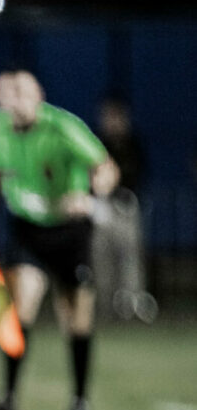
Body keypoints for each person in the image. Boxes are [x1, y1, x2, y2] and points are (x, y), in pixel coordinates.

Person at [0, 69, 110, 410]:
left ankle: (79, 398)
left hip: (69, 229)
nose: (13, 98)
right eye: (6, 92)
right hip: (27, 228)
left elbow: (104, 167)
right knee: (21, 306)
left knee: (75, 315)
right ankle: (10, 395)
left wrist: (89, 196)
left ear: (38, 95)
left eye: (20, 91)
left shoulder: (62, 126)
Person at [92, 95, 156, 323]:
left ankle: (132, 304)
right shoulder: (96, 143)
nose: (111, 121)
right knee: (101, 257)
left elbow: (139, 173)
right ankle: (105, 306)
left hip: (126, 205)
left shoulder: (133, 143)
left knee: (130, 256)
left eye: (116, 116)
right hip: (101, 207)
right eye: (107, 116)